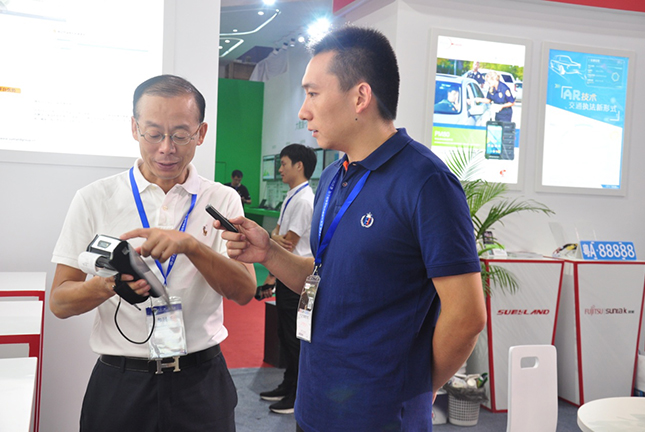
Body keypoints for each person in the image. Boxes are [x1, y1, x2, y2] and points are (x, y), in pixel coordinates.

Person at [218, 26, 487, 431]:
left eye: (312, 93)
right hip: (315, 404)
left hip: (380, 416)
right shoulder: (332, 177)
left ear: (360, 97)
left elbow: (467, 315)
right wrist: (269, 253)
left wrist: (419, 386)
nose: (302, 111)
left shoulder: (426, 182)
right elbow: (325, 277)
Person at [50, 74, 257, 432]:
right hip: (121, 382)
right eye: (154, 133)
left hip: (200, 381)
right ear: (134, 128)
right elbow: (59, 302)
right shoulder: (94, 198)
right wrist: (108, 285)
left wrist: (191, 246)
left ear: (201, 133)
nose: (166, 148)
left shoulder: (222, 199)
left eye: (180, 135)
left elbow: (244, 291)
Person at [259, 144, 316, 415]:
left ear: (299, 166)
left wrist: (273, 238)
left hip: (301, 281)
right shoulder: (292, 196)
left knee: (297, 338)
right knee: (285, 333)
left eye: (283, 164)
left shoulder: (304, 200)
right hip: (287, 276)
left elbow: (287, 242)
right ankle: (288, 384)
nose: (280, 169)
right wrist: (274, 238)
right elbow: (276, 234)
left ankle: (297, 395)